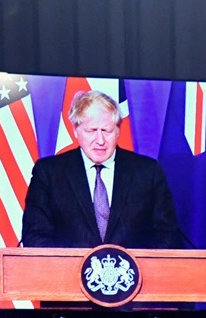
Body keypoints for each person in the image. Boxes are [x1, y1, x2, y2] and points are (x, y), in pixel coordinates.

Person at [21, 90, 187, 249]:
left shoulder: (148, 172)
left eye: (106, 131)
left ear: (117, 131)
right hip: (67, 277)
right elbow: (35, 236)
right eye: (92, 131)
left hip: (134, 275)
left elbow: (168, 236)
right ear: (76, 131)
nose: (100, 140)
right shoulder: (49, 173)